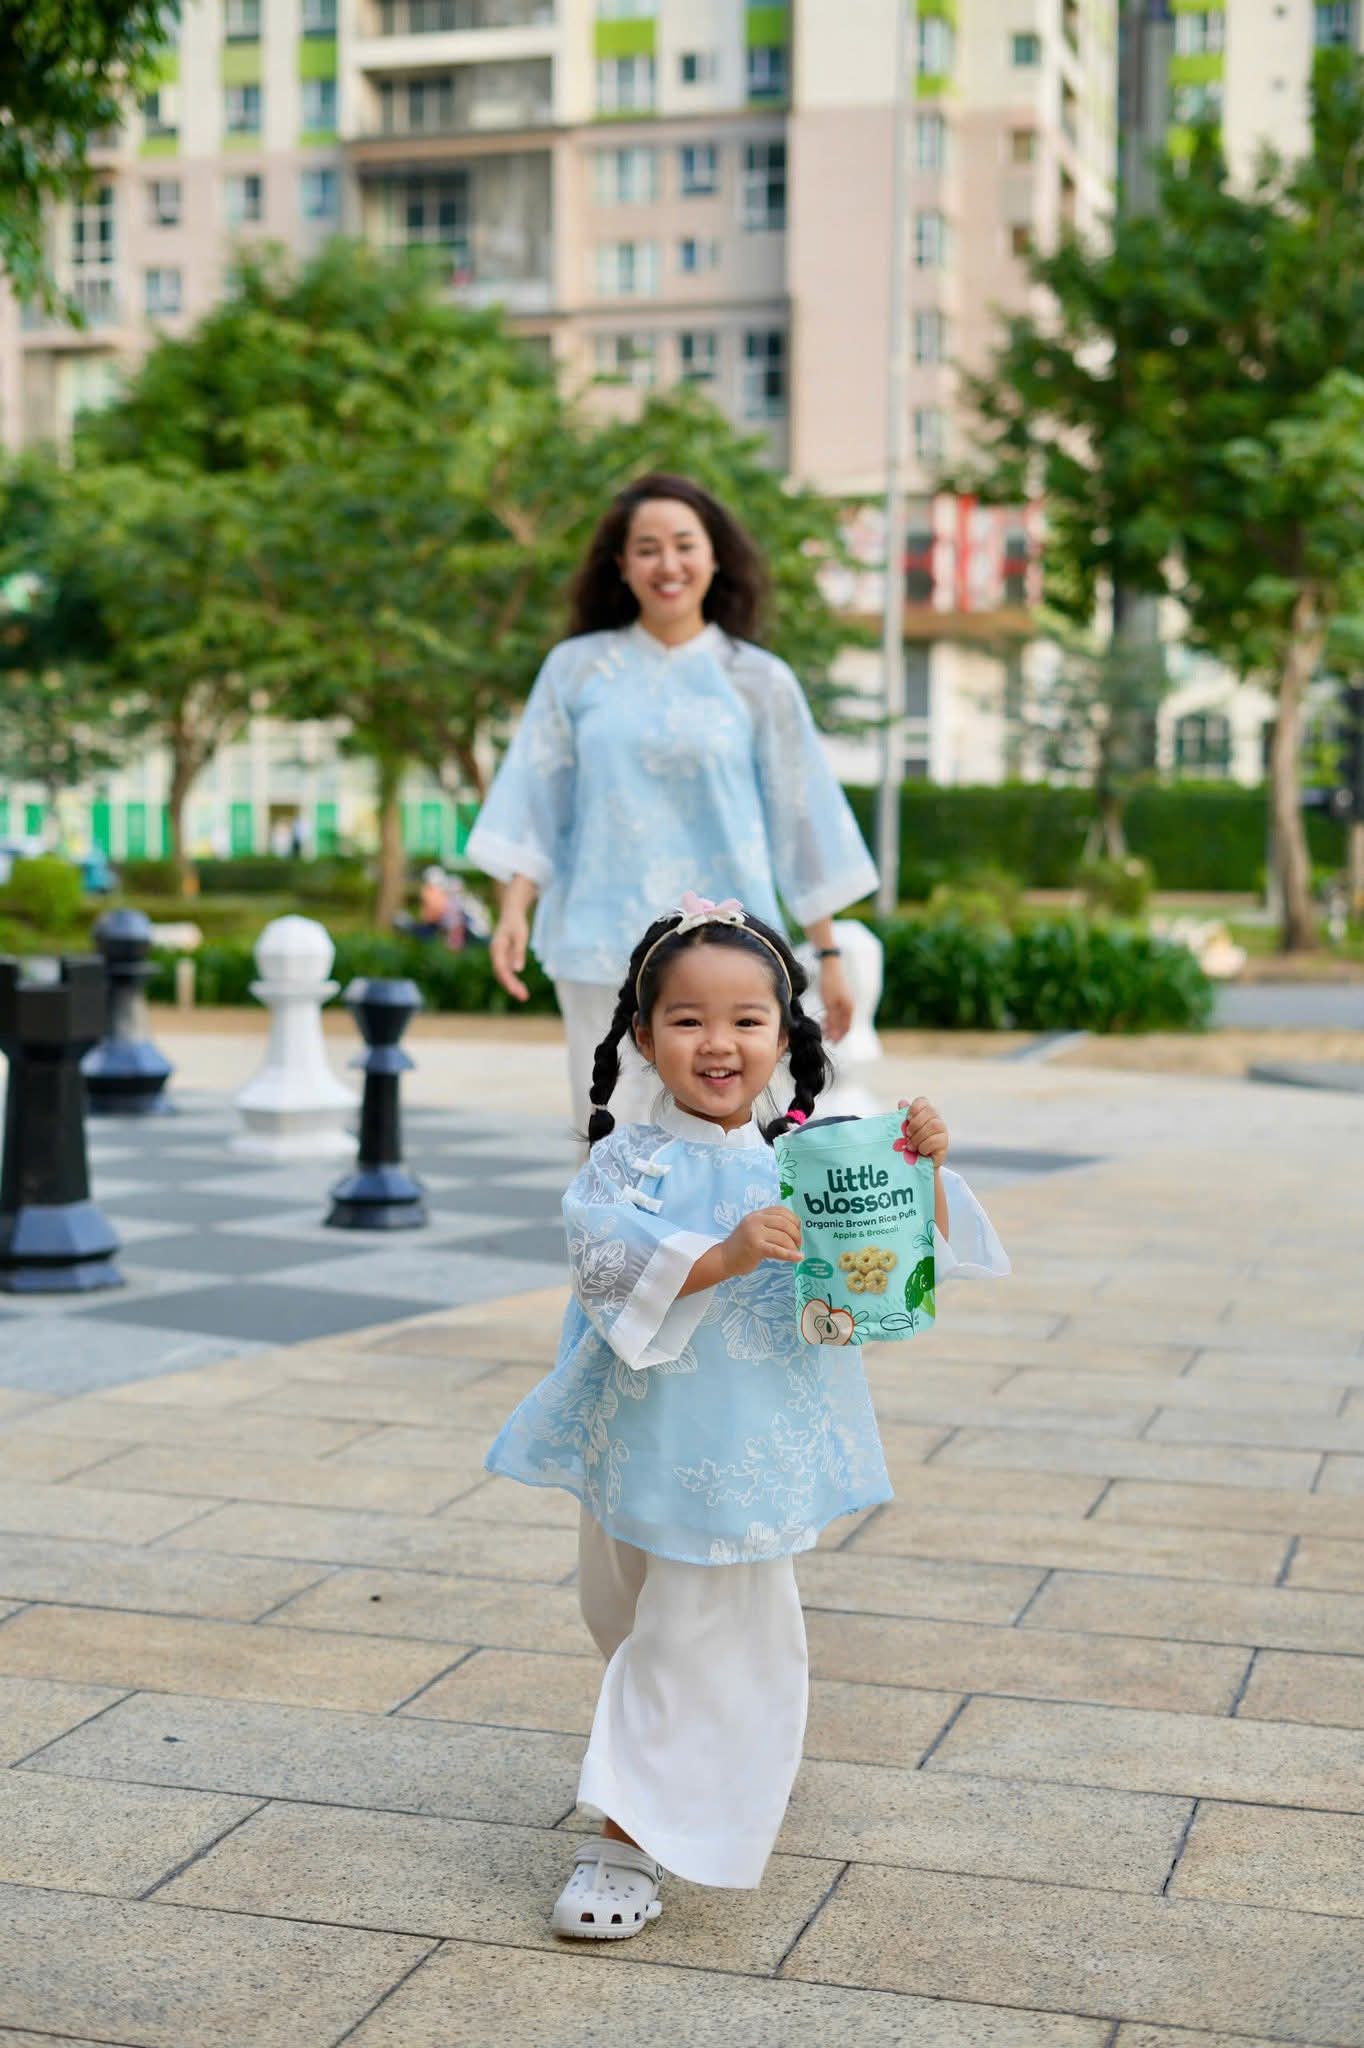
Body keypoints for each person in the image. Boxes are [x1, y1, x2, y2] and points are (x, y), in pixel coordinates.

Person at [483, 895, 1009, 1939]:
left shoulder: (809, 1156)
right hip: (640, 1438)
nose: (716, 1042)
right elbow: (603, 1265)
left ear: (784, 1033)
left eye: (744, 1020)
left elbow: (900, 1259)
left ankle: (627, 1837)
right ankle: (715, 1758)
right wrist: (718, 1254)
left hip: (748, 1449)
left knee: (696, 1632)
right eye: (684, 1019)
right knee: (622, 1617)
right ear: (641, 1034)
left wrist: (921, 1167)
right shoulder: (625, 1160)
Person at [466, 473, 879, 1128]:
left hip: (733, 960)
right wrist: (514, 908)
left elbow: (801, 822)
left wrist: (827, 958)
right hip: (601, 944)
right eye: (648, 547)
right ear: (622, 566)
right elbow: (540, 795)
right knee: (613, 1151)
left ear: (715, 557)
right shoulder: (575, 670)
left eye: (684, 544)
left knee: (734, 1155)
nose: (668, 564)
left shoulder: (759, 680)